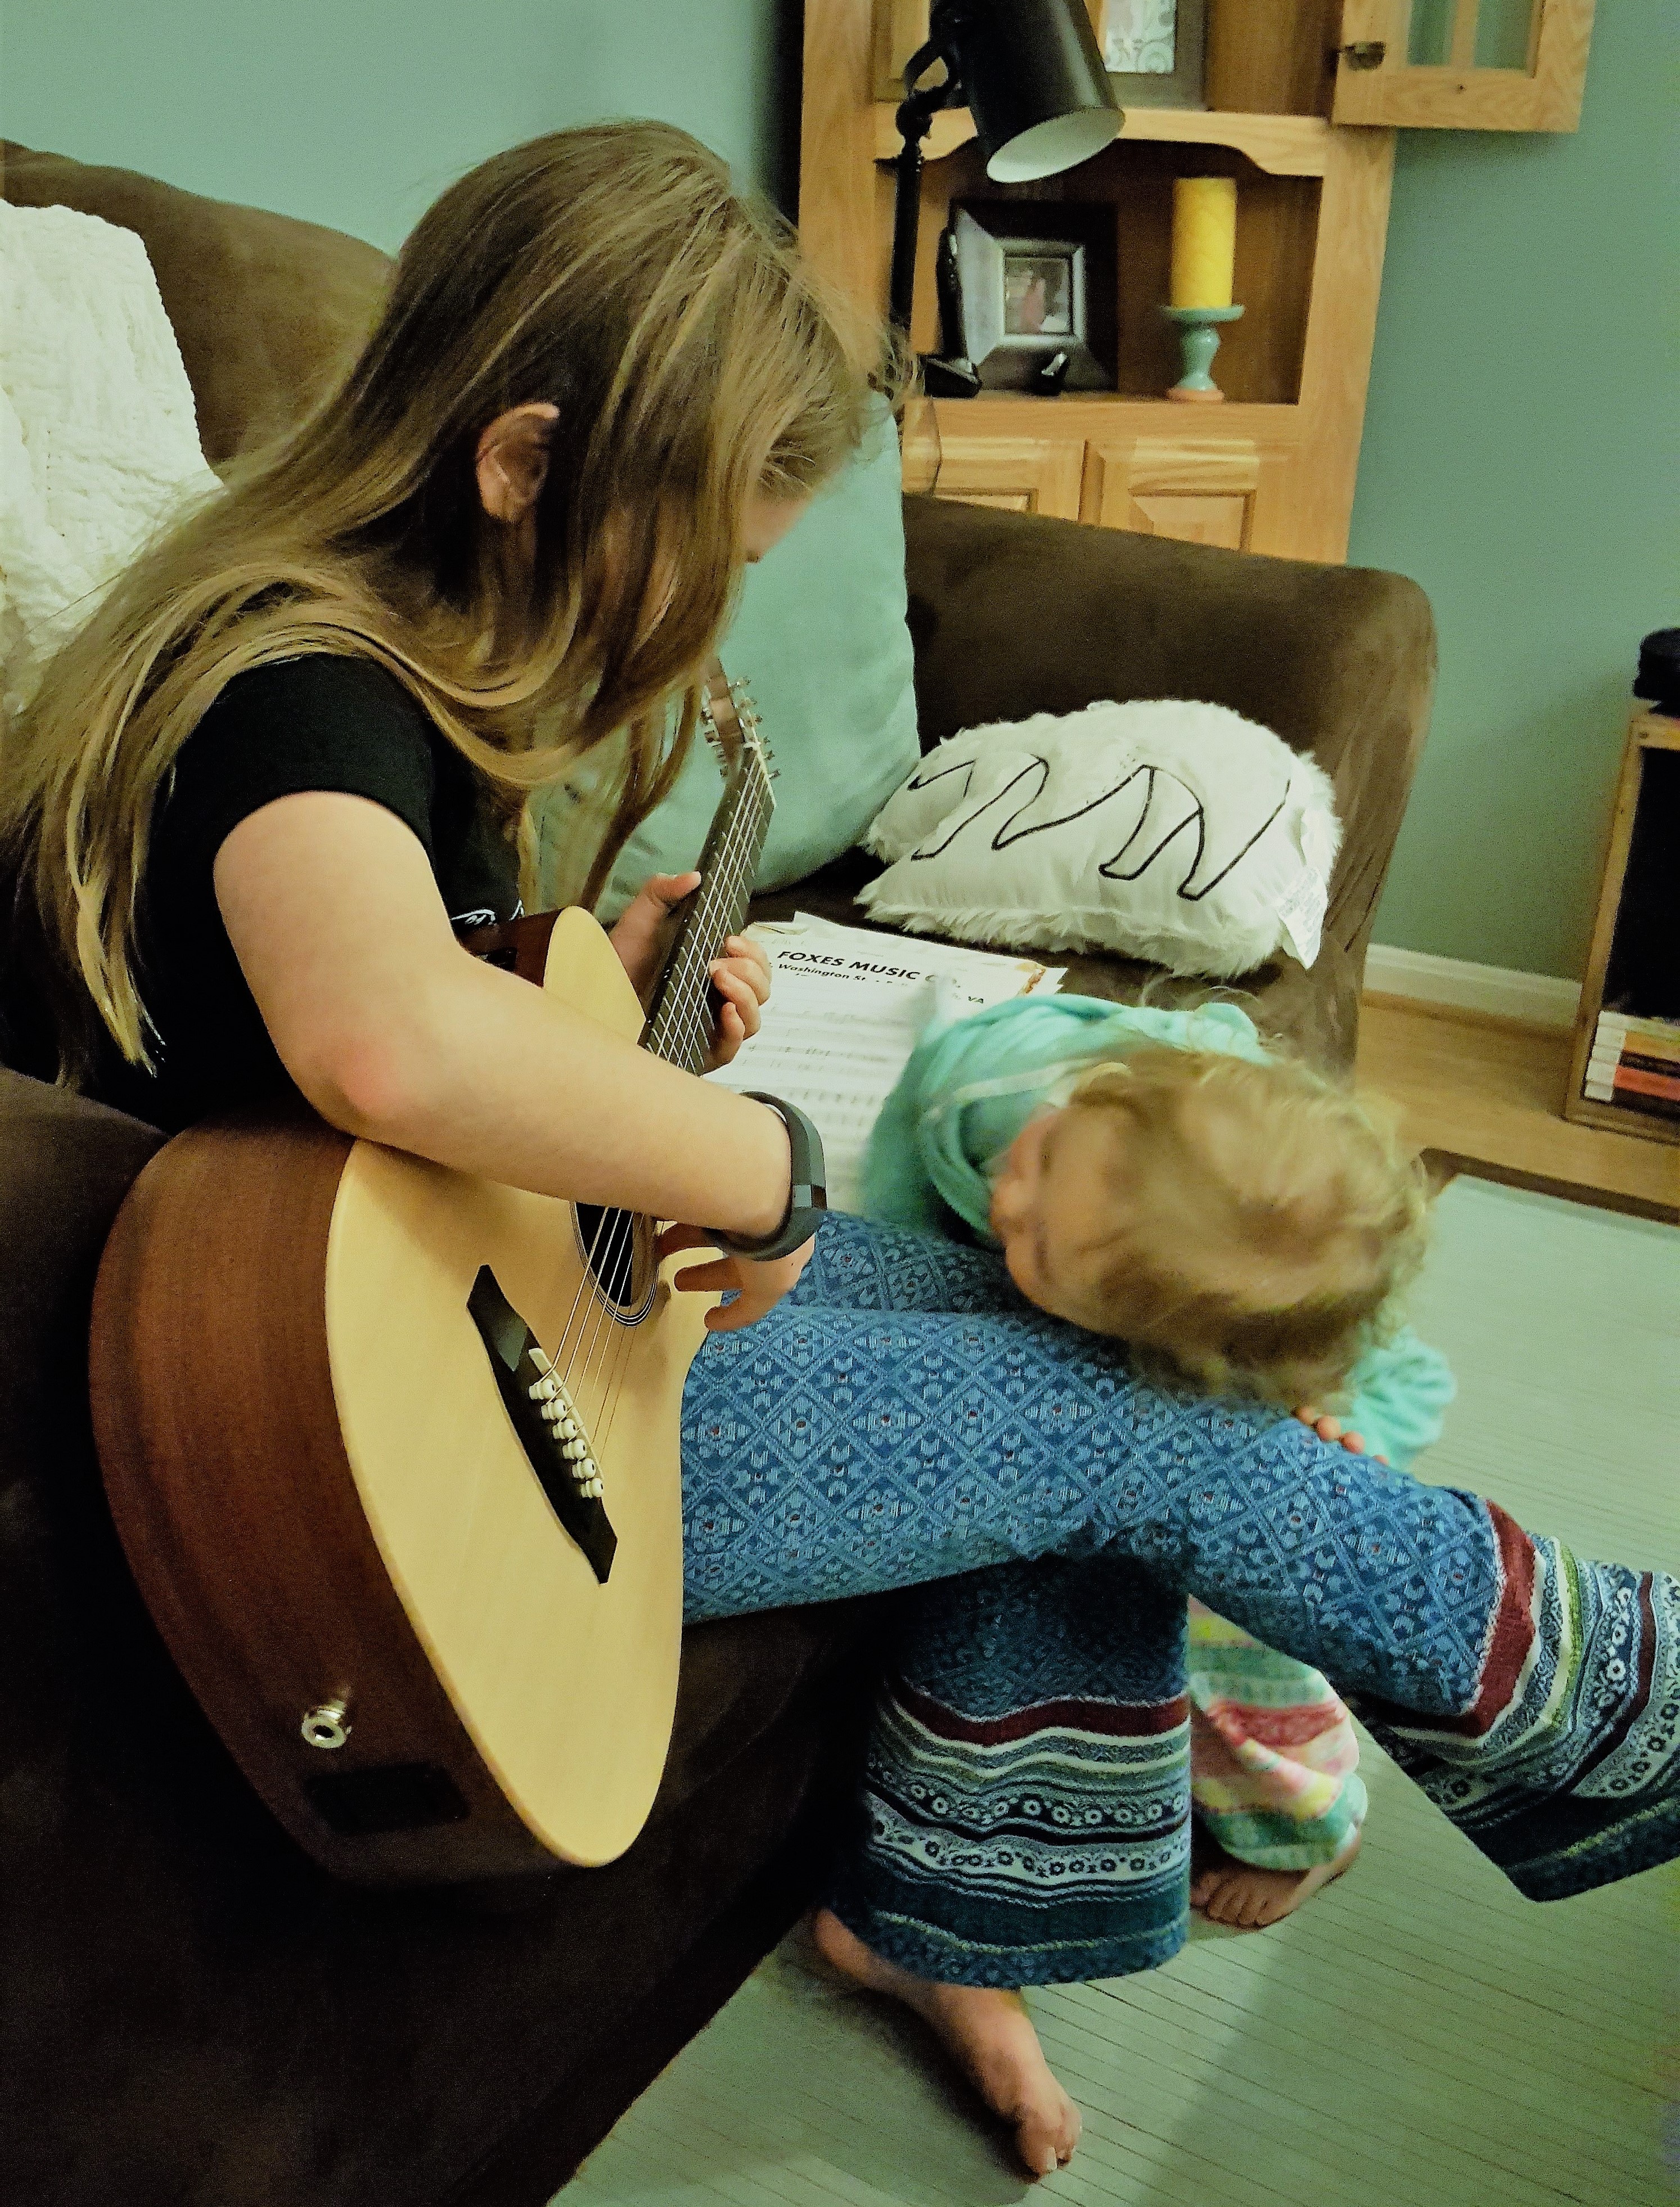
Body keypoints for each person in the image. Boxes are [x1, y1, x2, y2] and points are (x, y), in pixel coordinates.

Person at [3, 124, 1674, 2184]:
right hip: (417, 1442)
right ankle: (1596, 1686)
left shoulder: (382, 663)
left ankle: (940, 1909)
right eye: (705, 555)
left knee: (1069, 1325)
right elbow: (378, 1033)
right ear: (521, 464)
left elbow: (350, 1030)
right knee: (1138, 1424)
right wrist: (749, 1162)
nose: (713, 610)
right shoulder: (301, 678)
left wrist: (588, 999)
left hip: (431, 1303)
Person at [858, 987, 1461, 1929]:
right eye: (1044, 1162)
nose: (1008, 1199)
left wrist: (1350, 1435)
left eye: (1039, 1250)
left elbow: (1413, 1382)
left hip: (1199, 1425)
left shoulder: (1256, 1300)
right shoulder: (991, 1094)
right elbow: (899, 1201)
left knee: (1236, 1621)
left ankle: (1312, 1821)